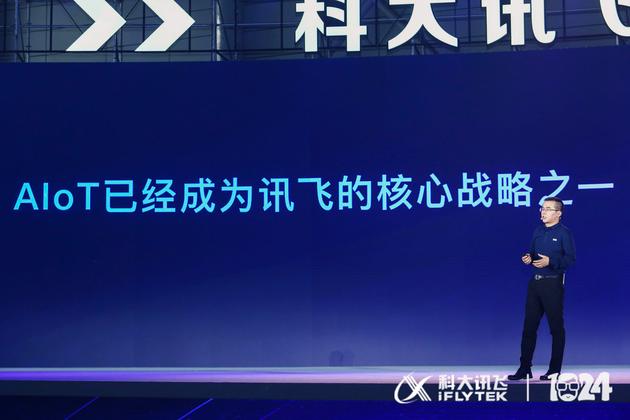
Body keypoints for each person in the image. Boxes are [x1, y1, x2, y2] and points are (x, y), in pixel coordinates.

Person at [508, 196, 576, 381]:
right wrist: (528, 258)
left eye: (548, 209)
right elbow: (533, 253)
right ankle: (525, 368)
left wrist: (550, 261)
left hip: (553, 284)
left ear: (558, 213)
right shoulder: (538, 231)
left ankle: (554, 370)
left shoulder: (564, 233)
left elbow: (570, 259)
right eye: (542, 208)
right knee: (529, 328)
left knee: (556, 328)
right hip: (535, 284)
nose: (543, 212)